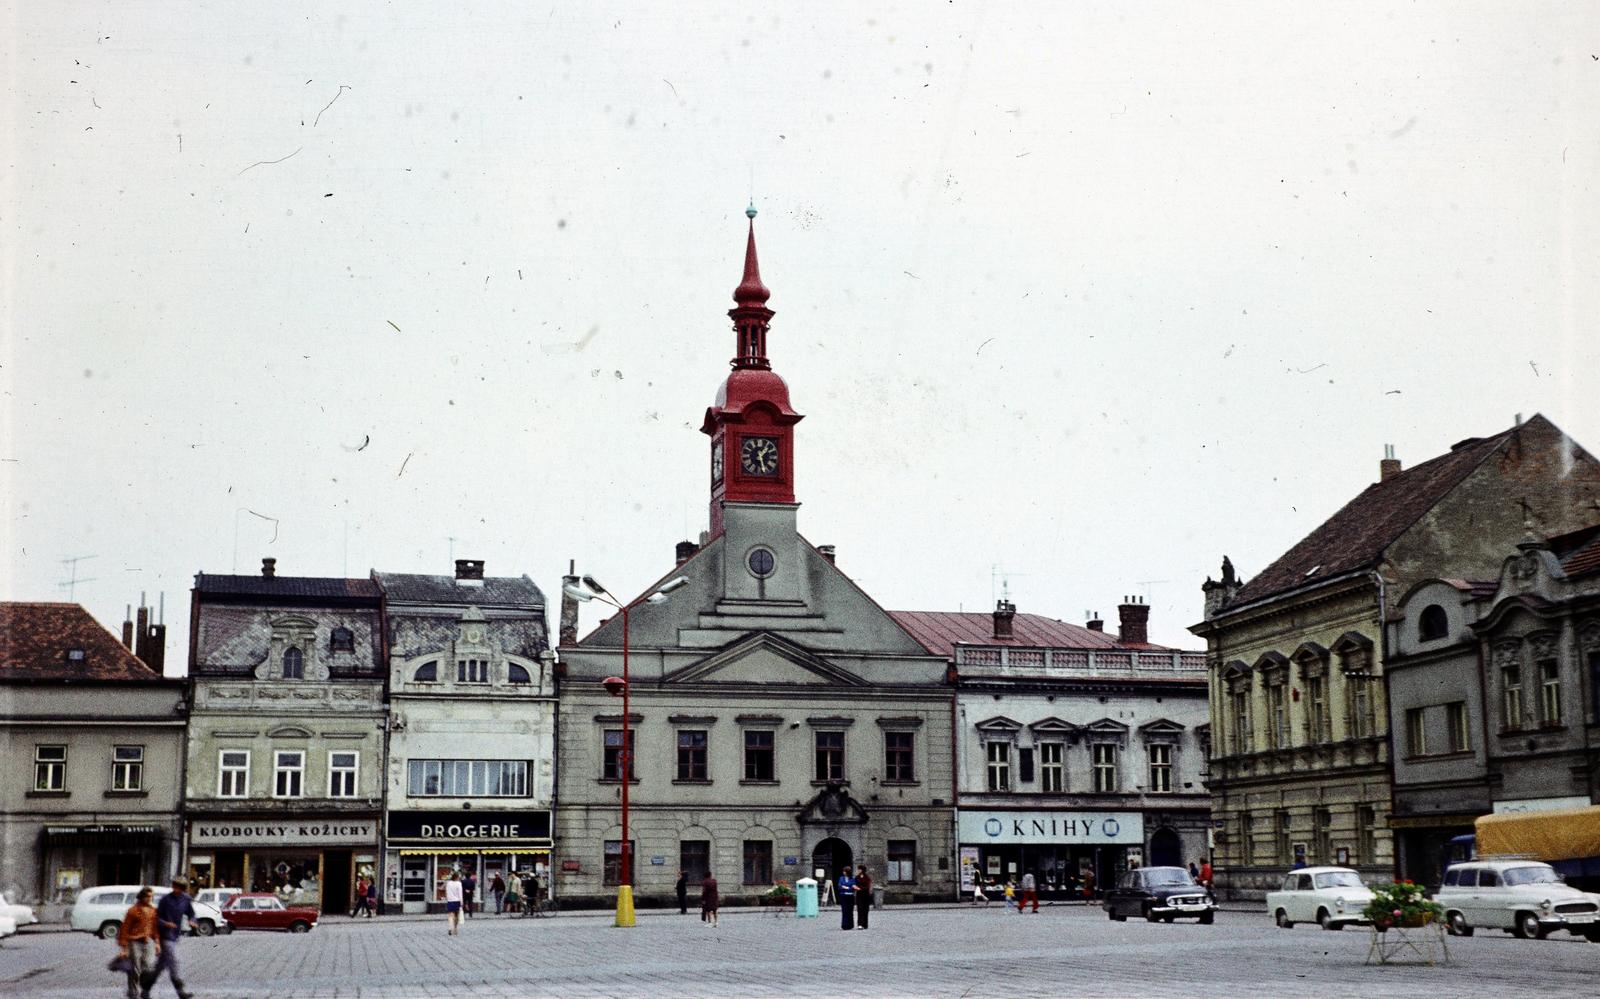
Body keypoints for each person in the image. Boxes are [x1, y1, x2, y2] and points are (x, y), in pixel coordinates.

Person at [153, 878, 195, 999]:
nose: (176, 889)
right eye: (175, 886)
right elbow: (156, 918)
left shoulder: (186, 899)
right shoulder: (165, 900)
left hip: (175, 935)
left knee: (160, 966)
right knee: (174, 962)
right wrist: (166, 923)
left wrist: (192, 921)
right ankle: (180, 991)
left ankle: (146, 988)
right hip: (165, 936)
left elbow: (191, 914)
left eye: (179, 887)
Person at [117, 886, 160, 999]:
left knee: (149, 968)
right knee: (135, 969)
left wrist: (157, 943)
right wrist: (124, 948)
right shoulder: (133, 911)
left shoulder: (153, 910)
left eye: (151, 896)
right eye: (147, 896)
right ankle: (133, 991)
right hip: (134, 941)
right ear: (142, 897)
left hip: (148, 942)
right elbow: (125, 929)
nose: (150, 898)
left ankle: (145, 990)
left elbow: (155, 928)